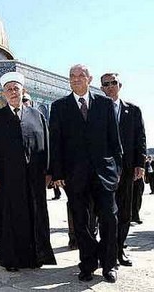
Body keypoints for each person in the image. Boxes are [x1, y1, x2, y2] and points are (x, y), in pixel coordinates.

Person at [49, 64, 123, 283]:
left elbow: (114, 140)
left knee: (109, 218)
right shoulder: (59, 107)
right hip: (75, 176)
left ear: (89, 79)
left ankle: (109, 265)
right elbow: (56, 143)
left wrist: (117, 169)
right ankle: (88, 264)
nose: (76, 79)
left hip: (104, 174)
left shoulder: (105, 104)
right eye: (72, 76)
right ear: (69, 80)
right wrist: (58, 173)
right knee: (81, 223)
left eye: (81, 75)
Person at [0, 72, 56, 272]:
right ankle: (11, 259)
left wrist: (49, 171)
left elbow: (46, 144)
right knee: (11, 216)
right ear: (3, 94)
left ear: (23, 91)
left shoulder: (36, 115)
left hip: (34, 177)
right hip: (8, 178)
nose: (13, 92)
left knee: (35, 213)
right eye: (9, 89)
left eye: (16, 88)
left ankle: (36, 256)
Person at [100, 72, 146, 267]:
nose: (110, 86)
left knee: (125, 212)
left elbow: (140, 138)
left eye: (114, 83)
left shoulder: (132, 111)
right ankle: (106, 252)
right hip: (104, 171)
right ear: (101, 87)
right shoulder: (97, 110)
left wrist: (140, 164)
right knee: (106, 214)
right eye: (106, 84)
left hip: (126, 170)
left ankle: (119, 250)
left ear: (120, 85)